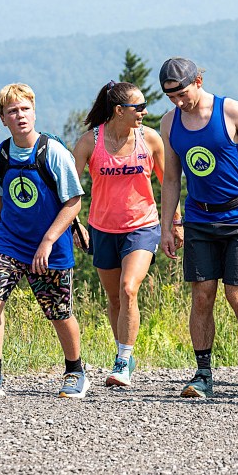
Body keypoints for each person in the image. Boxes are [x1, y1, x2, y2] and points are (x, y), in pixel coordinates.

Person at [159, 57, 238, 398]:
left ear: (198, 81)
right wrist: (167, 225)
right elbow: (172, 178)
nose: (178, 101)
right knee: (202, 296)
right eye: (171, 96)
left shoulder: (232, 112)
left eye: (182, 93)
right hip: (199, 218)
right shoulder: (170, 122)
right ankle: (202, 373)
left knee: (237, 294)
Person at [0, 83, 89, 398]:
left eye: (25, 109)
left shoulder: (53, 152)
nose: (20, 116)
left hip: (51, 246)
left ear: (34, 111)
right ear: (3, 118)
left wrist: (47, 241)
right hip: (10, 242)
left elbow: (74, 202)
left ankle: (76, 372)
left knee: (58, 311)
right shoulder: (1, 153)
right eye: (12, 111)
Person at [72, 81, 181, 387]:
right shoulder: (88, 142)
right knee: (115, 298)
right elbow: (69, 188)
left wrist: (175, 222)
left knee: (129, 288)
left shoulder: (150, 140)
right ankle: (125, 353)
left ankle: (122, 361)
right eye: (139, 107)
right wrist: (75, 223)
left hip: (142, 227)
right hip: (103, 229)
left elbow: (169, 181)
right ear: (119, 111)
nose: (144, 112)